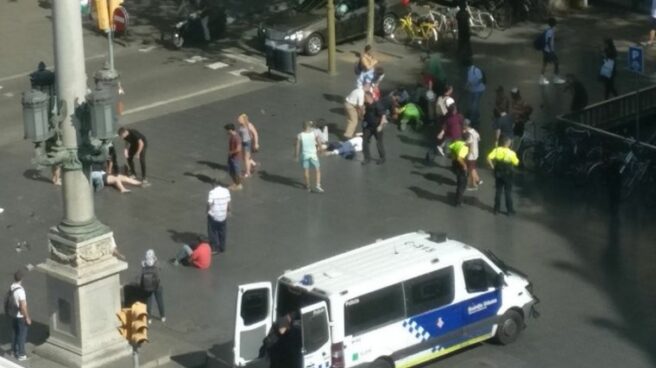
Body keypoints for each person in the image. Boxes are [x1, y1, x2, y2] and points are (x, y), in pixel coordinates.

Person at [487, 136, 520, 215]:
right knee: (507, 192)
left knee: (498, 191)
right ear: (508, 144)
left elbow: (488, 157)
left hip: (498, 172)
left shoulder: (497, 150)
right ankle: (509, 210)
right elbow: (516, 163)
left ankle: (496, 209)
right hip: (508, 174)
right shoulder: (511, 153)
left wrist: (492, 167)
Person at [7, 271, 31, 361]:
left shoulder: (12, 287)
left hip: (13, 314)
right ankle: (21, 354)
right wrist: (27, 317)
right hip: (20, 316)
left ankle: (13, 351)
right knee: (22, 335)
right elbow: (23, 306)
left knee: (15, 332)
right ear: (21, 279)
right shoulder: (20, 291)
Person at [295, 121, 324, 192]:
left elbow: (297, 146)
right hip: (313, 155)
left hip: (305, 155)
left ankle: (308, 186)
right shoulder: (314, 133)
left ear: (303, 127)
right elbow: (319, 142)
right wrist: (321, 150)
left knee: (306, 170)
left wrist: (296, 155)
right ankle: (318, 185)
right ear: (309, 127)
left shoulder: (300, 135)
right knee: (317, 170)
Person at [140, 250, 165, 324]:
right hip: (157, 285)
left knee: (148, 302)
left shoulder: (143, 265)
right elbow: (160, 268)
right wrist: (156, 260)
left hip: (147, 286)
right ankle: (162, 316)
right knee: (160, 301)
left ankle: (149, 318)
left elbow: (142, 274)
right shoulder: (156, 264)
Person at [361, 92, 387, 165]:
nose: (363, 99)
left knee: (379, 142)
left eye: (364, 97)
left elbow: (383, 116)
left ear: (369, 97)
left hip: (377, 127)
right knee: (364, 141)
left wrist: (380, 126)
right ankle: (367, 158)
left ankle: (382, 157)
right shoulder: (366, 105)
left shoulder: (377, 105)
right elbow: (363, 115)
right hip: (368, 126)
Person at [540, 18, 566, 85]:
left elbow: (548, 39)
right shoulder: (551, 31)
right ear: (554, 24)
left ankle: (541, 79)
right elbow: (548, 41)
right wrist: (551, 51)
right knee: (556, 62)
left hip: (545, 50)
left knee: (545, 64)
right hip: (549, 51)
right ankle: (556, 79)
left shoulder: (548, 30)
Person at [207, 182, 231, 254]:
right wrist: (229, 211)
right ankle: (222, 247)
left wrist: (207, 211)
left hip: (214, 216)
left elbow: (209, 204)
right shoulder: (226, 191)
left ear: (214, 185)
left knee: (212, 231)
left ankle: (215, 248)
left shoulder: (212, 192)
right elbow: (228, 203)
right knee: (222, 231)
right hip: (223, 216)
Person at [449, 133, 470, 206]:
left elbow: (451, 147)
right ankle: (458, 201)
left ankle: (458, 198)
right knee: (462, 184)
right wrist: (464, 165)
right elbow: (459, 158)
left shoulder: (457, 143)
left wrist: (453, 155)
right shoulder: (465, 147)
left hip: (454, 164)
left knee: (459, 182)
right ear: (468, 139)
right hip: (461, 166)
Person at [464, 59, 486, 128]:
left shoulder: (475, 70)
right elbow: (469, 80)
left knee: (474, 104)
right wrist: (466, 86)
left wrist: (472, 84)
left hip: (478, 90)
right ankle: (476, 116)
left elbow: (480, 79)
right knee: (473, 104)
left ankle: (473, 120)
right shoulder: (469, 70)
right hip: (472, 90)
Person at [238, 114, 260, 178]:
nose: (238, 120)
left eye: (239, 119)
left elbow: (255, 134)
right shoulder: (241, 125)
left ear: (243, 119)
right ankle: (253, 164)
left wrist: (256, 143)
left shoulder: (249, 125)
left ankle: (248, 172)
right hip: (243, 142)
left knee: (246, 158)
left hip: (247, 143)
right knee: (243, 157)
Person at [464, 120, 482, 190]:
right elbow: (479, 139)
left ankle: (474, 184)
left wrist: (468, 154)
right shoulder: (474, 131)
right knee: (472, 168)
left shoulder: (469, 134)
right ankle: (477, 180)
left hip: (471, 154)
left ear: (465, 125)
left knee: (471, 169)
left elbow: (470, 145)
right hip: (476, 152)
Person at [225, 123, 243, 190]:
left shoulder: (236, 138)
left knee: (236, 173)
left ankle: (238, 185)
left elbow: (238, 149)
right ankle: (235, 183)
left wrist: (231, 152)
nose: (226, 131)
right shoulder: (232, 136)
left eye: (227, 130)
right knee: (231, 172)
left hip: (235, 159)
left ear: (230, 130)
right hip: (231, 157)